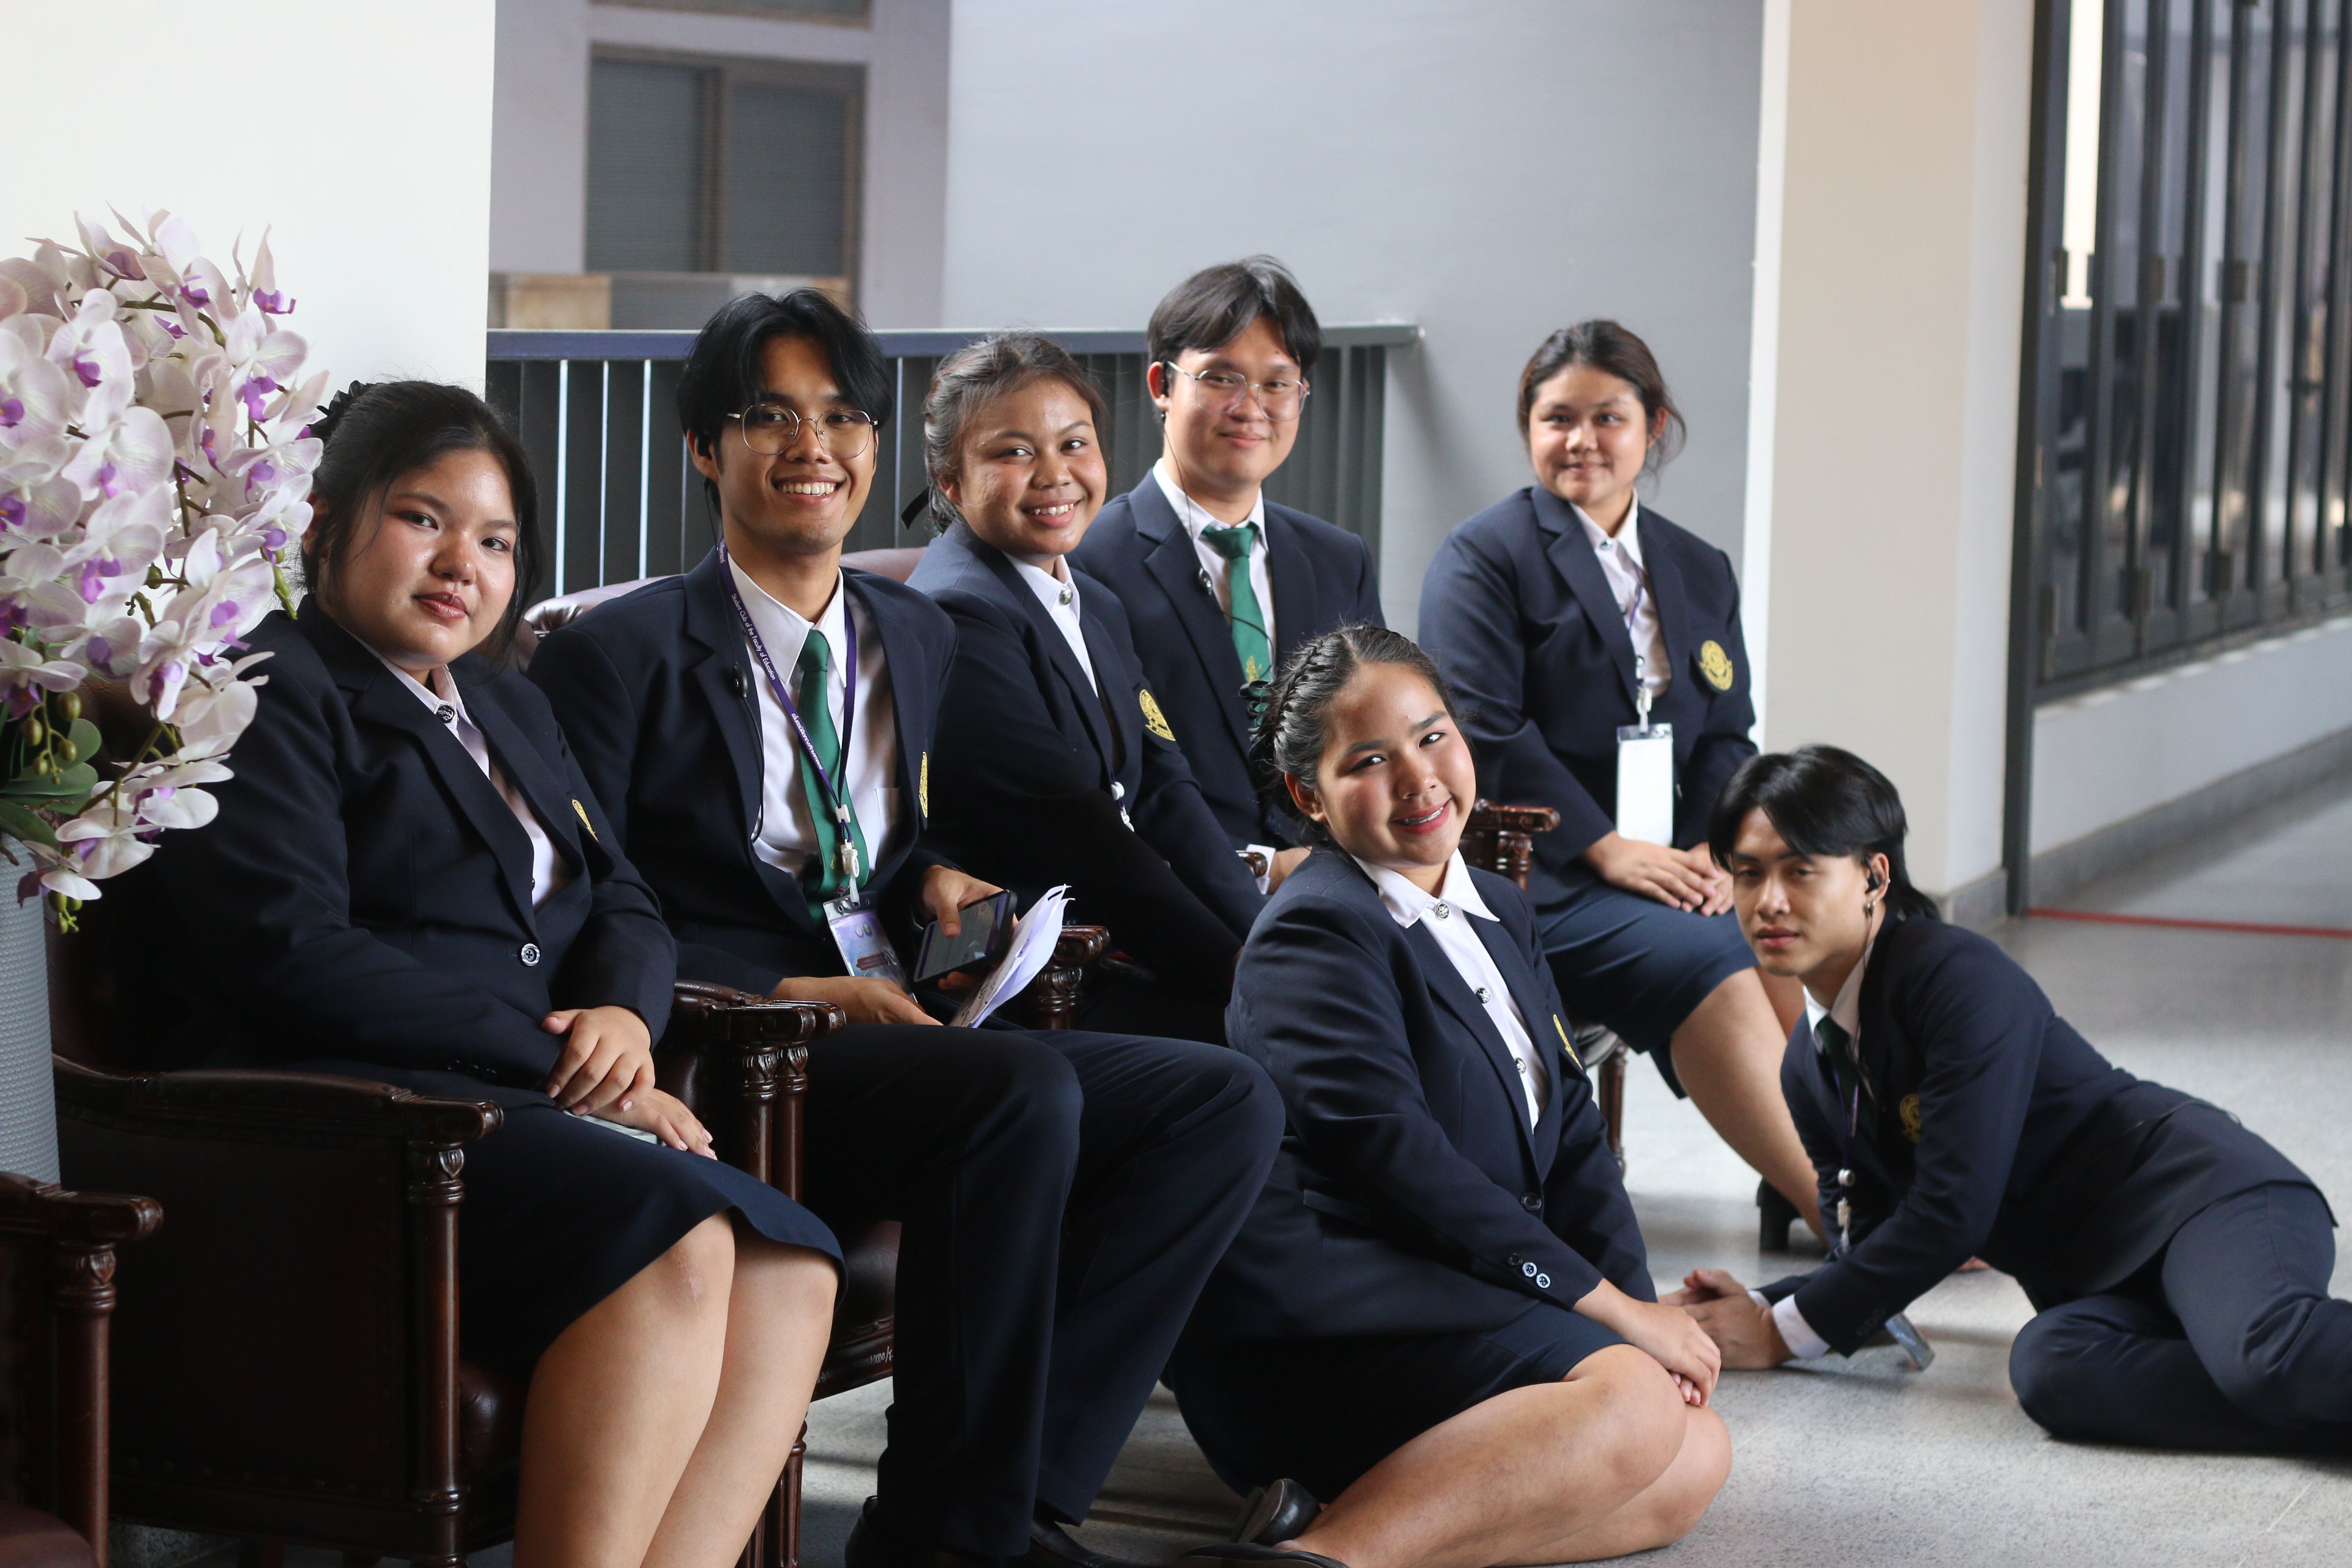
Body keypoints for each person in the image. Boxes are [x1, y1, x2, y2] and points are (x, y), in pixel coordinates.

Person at [527, 290, 1285, 1568]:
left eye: (841, 418)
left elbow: (868, 842)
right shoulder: (617, 656)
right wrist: (796, 992)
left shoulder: (912, 633)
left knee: (1220, 1104)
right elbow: (587, 907)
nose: (812, 446)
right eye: (770, 417)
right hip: (743, 1050)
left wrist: (935, 879)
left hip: (906, 1026)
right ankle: (952, 1535)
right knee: (1019, 1093)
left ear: (877, 448)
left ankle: (1014, 1500)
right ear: (705, 447)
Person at [144, 381, 842, 1568]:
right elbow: (292, 953)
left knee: (792, 1266)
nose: (461, 564)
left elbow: (621, 893)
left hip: (511, 1108)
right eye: (423, 519)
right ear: (323, 521)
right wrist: (567, 1064)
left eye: (497, 541)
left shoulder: (510, 701)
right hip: (349, 1115)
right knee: (676, 1237)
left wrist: (624, 1014)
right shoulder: (268, 682)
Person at [1169, 625, 1730, 1568]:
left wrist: (1644, 1319)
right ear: (1308, 796)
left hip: (1457, 1292)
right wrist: (1614, 1317)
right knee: (1635, 1412)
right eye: (1370, 761)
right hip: (1332, 1329)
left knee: (1692, 1455)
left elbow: (1574, 1134)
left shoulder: (1499, 909)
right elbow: (1401, 1164)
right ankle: (1326, 1556)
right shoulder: (1315, 931)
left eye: (1433, 737)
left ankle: (1350, 1520)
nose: (1420, 780)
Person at [1665, 745, 2352, 1453]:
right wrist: (1751, 1309)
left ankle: (2292, 1384)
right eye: (1748, 874)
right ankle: (2322, 1418)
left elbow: (1952, 1213)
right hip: (2097, 1284)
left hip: (2200, 1202)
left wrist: (1777, 1335)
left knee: (2266, 1354)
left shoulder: (1952, 975)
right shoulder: (1807, 1069)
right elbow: (1868, 1256)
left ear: (1874, 876)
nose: (1769, 902)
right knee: (2053, 1370)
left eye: (1799, 870)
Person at [1418, 320, 1820, 1240]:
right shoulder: (1484, 558)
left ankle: (1832, 1166)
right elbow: (1485, 732)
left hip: (1669, 862)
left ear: (1654, 427)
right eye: (1558, 418)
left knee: (1789, 924)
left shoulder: (1696, 566)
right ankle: (1843, 1213)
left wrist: (1711, 848)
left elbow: (1727, 731)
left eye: (1609, 418)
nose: (1582, 441)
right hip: (1540, 873)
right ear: (1528, 427)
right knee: (1713, 955)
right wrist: (1606, 847)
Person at [908, 333, 1264, 1043]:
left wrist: (1266, 940)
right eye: (1014, 453)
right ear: (951, 482)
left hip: (1121, 934)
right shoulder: (958, 612)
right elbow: (1079, 836)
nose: (1055, 475)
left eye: (1074, 444)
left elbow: (1166, 788)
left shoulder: (1092, 599)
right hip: (1031, 975)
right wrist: (1237, 969)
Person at [1069, 257, 1382, 887]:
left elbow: (1373, 736)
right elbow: (1098, 782)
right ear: (1162, 384)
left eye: (1277, 383)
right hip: (1183, 897)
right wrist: (1261, 869)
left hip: (1342, 885)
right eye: (1221, 378)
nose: (1251, 407)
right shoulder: (1089, 560)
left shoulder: (1338, 559)